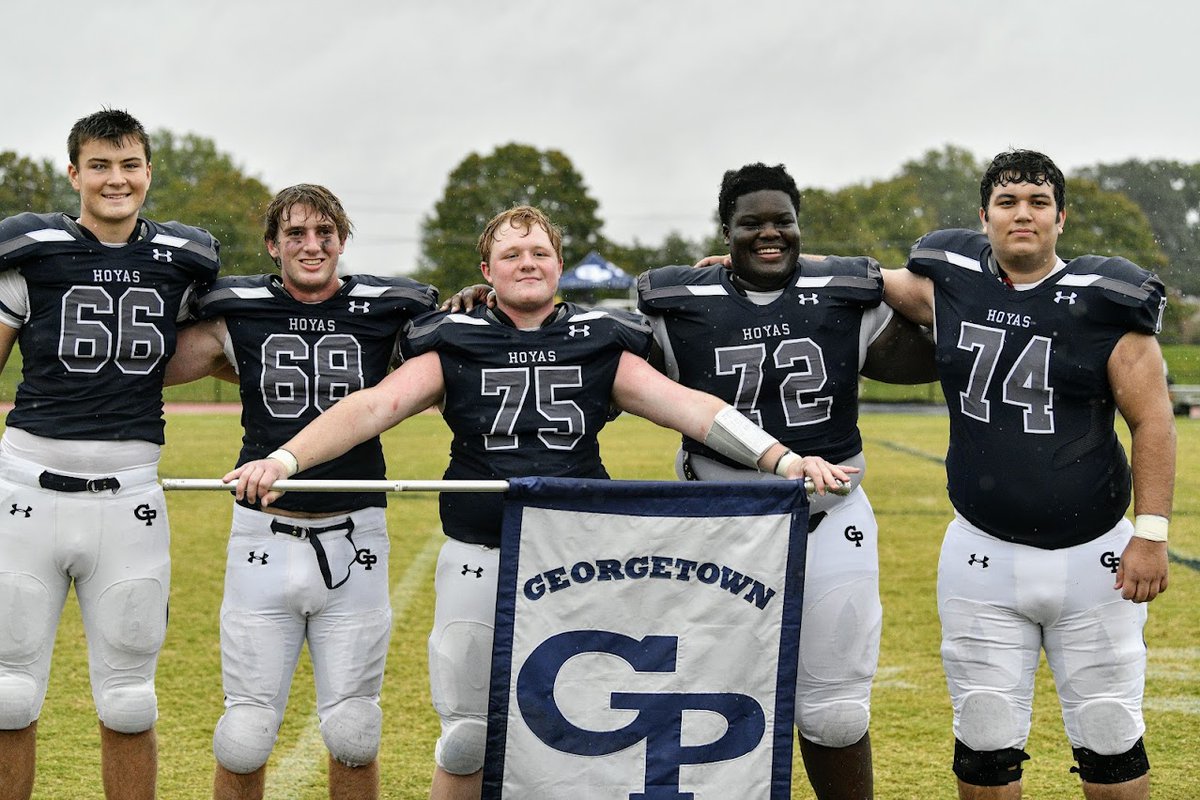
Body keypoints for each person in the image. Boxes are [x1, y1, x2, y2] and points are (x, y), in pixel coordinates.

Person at [226, 205, 856, 800]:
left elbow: (693, 409)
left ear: (559, 264)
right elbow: (372, 408)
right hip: (481, 552)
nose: (526, 262)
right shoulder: (456, 337)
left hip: (579, 560)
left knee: (586, 724)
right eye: (510, 253)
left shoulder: (599, 339)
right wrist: (284, 459)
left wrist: (782, 459)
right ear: (486, 272)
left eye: (539, 251)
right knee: (468, 737)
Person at [637, 162, 936, 800]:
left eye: (783, 222)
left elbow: (956, 337)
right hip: (717, 529)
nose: (770, 234)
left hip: (829, 521)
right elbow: (581, 357)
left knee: (834, 713)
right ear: (726, 229)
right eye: (752, 223)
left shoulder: (843, 295)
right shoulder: (676, 304)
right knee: (708, 700)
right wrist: (492, 305)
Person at [883, 149, 1174, 799]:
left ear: (1061, 218)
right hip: (980, 551)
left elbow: (1154, 422)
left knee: (1109, 735)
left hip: (1095, 554)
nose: (1024, 214)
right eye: (1009, 202)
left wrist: (1151, 533)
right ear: (984, 216)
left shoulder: (1104, 300)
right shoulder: (950, 281)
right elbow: (865, 280)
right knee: (984, 736)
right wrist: (770, 270)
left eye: (1038, 203)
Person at [163, 184, 438, 800]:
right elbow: (139, 360)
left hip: (355, 531)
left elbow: (464, 360)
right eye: (295, 234)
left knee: (354, 730)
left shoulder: (390, 311)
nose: (311, 246)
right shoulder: (237, 313)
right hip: (264, 531)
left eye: (325, 233)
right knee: (245, 732)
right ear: (272, 245)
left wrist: (481, 302)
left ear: (342, 241)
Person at [0, 109, 221, 800]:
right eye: (99, 165)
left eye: (129, 164)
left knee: (129, 699)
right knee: (8, 695)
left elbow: (243, 342)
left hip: (128, 494)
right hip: (27, 488)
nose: (115, 179)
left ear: (149, 172)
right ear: (74, 174)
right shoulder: (31, 252)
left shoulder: (183, 261)